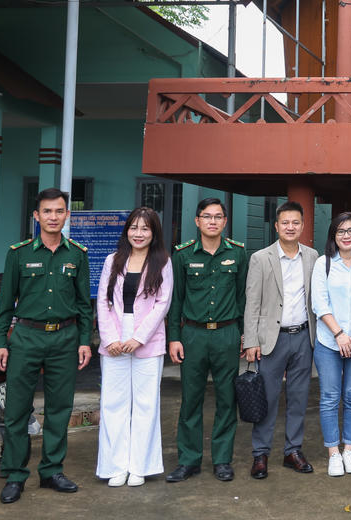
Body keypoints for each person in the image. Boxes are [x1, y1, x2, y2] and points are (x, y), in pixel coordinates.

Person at [0, 187, 93, 505]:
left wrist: (84, 341)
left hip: (65, 338)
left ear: (67, 215)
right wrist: (0, 343)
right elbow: (5, 304)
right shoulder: (19, 253)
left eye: (59, 211)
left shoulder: (77, 254)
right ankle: (15, 474)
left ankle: (51, 471)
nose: (53, 217)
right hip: (26, 337)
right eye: (47, 211)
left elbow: (84, 305)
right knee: (17, 409)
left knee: (59, 408)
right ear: (36, 216)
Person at [165, 198, 249, 484]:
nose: (212, 221)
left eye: (217, 217)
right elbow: (176, 300)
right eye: (207, 216)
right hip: (193, 335)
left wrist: (243, 335)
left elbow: (242, 298)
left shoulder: (237, 253)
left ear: (225, 221)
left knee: (227, 399)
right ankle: (188, 460)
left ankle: (222, 460)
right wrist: (174, 338)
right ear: (197, 220)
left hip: (226, 334)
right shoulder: (182, 255)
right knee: (191, 399)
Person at [95, 207, 173, 487]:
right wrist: (110, 339)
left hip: (148, 338)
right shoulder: (112, 260)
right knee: (113, 403)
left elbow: (162, 303)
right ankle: (115, 467)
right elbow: (103, 301)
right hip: (115, 337)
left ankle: (140, 466)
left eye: (145, 229)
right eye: (134, 228)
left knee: (145, 404)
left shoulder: (163, 262)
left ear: (154, 233)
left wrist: (138, 338)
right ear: (126, 230)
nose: (138, 234)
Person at [244, 201, 319, 478]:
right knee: (267, 399)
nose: (290, 227)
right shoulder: (260, 258)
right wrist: (251, 341)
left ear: (302, 226)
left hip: (303, 336)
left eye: (295, 222)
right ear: (276, 226)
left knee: (299, 398)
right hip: (271, 340)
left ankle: (293, 451)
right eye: (285, 222)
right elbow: (252, 302)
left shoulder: (312, 257)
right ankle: (260, 454)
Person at [311, 212, 351, 477]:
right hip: (329, 342)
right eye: (340, 231)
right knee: (329, 397)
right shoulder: (323, 264)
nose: (346, 236)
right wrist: (339, 334)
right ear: (333, 236)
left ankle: (349, 450)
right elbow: (319, 304)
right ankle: (333, 453)